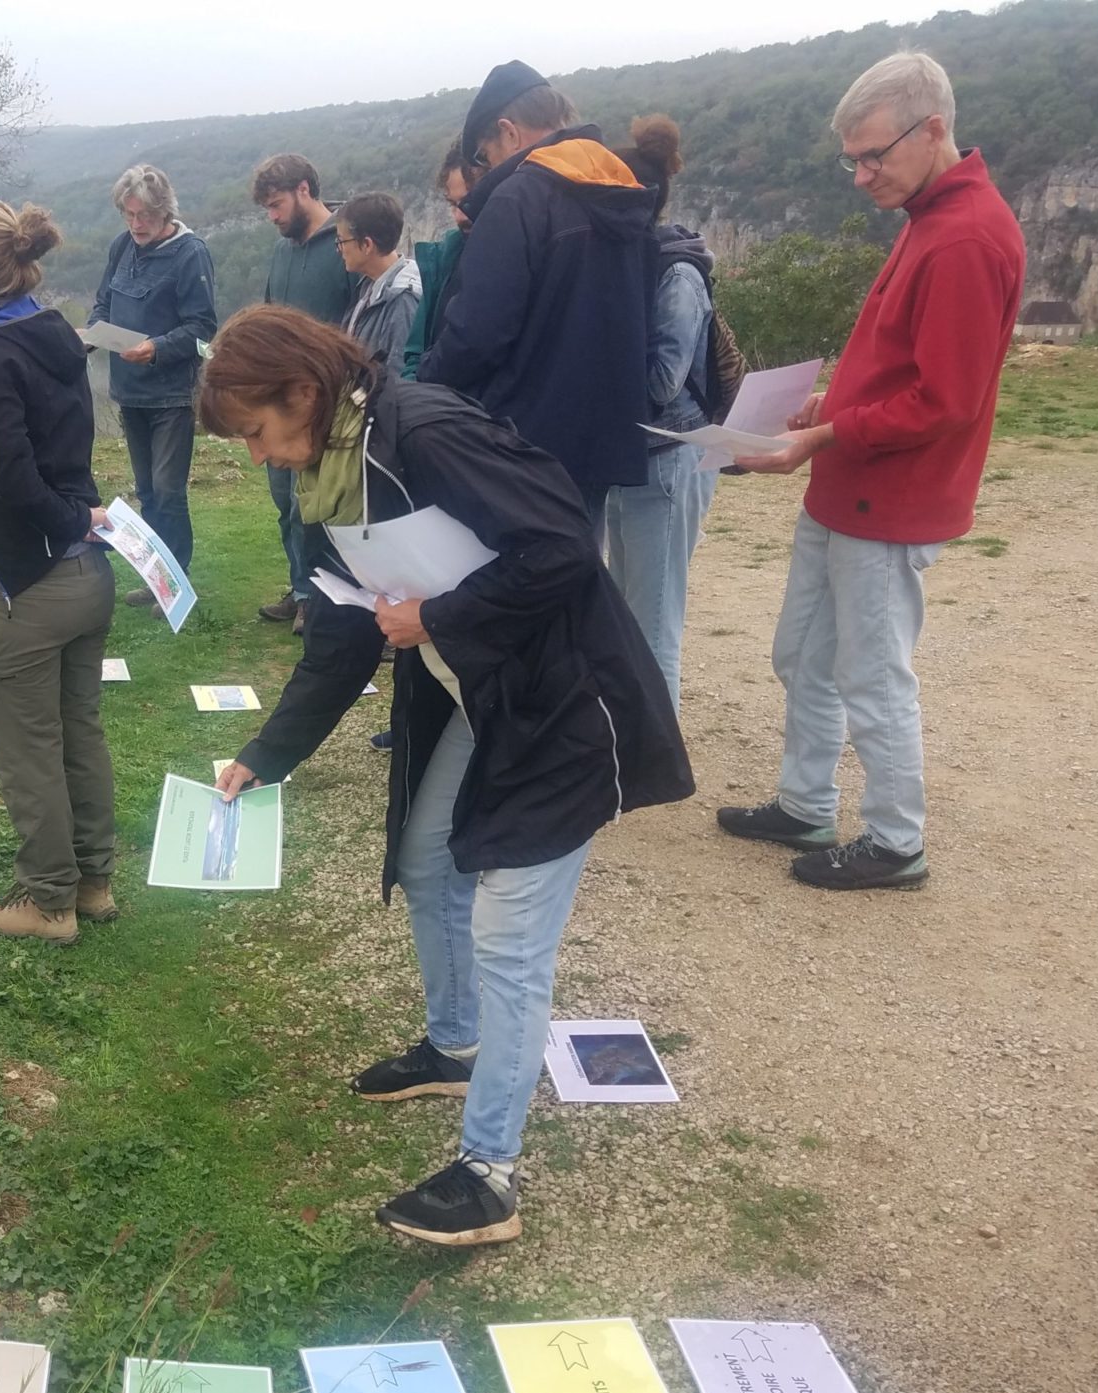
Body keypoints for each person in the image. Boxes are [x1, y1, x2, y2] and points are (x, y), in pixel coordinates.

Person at [203, 307, 691, 1247]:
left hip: (562, 704)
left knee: (512, 944)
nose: (259, 456)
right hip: (479, 698)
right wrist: (267, 756)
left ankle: (489, 1174)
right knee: (428, 863)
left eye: (258, 432)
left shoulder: (424, 431)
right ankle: (457, 1044)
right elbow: (343, 634)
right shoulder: (329, 479)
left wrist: (438, 615)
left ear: (303, 392)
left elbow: (562, 543)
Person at [721, 52, 1023, 890]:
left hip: (891, 500)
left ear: (933, 130)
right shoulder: (930, 215)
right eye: (851, 159)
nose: (861, 176)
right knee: (803, 654)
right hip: (846, 487)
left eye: (873, 155)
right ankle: (805, 802)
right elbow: (903, 366)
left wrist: (826, 434)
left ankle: (895, 842)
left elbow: (946, 401)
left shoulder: (965, 236)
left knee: (873, 673)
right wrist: (832, 404)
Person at [0, 196, 117, 944]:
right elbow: (41, 436)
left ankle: (48, 902)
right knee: (80, 731)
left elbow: (12, 476)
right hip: (89, 577)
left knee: (28, 746)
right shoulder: (50, 332)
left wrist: (68, 520)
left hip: (29, 583)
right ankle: (93, 881)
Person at [416, 61, 660, 543]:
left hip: (523, 444)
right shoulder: (623, 189)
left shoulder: (519, 197)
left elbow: (478, 333)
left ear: (508, 131)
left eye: (484, 155)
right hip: (601, 441)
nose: (487, 168)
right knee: (574, 569)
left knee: (517, 577)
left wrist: (424, 385)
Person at [605, 114, 719, 714]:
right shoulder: (634, 264)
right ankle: (634, 738)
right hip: (633, 460)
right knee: (627, 614)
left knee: (654, 622)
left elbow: (663, 380)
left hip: (671, 459)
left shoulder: (675, 273)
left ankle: (657, 750)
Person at [86, 165, 217, 606]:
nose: (136, 224)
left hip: (171, 394)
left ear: (165, 212)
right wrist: (92, 334)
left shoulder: (190, 253)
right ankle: (157, 580)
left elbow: (203, 330)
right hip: (130, 392)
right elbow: (104, 301)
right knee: (146, 492)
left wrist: (156, 348)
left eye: (144, 215)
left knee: (167, 491)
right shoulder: (122, 246)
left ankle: (177, 583)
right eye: (128, 214)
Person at [251, 153, 359, 632]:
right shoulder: (281, 252)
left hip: (326, 401)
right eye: (267, 208)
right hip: (279, 402)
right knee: (284, 501)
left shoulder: (345, 243)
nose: (272, 217)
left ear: (304, 190)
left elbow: (359, 322)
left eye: (276, 205)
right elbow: (271, 315)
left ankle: (321, 597)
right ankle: (300, 587)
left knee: (313, 506)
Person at [401, 145, 475, 383]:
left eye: (469, 202)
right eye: (453, 204)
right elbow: (415, 352)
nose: (459, 216)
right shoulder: (443, 259)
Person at [337, 192, 421, 369]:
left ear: (367, 245)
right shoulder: (368, 286)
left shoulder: (402, 301)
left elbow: (399, 376)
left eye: (342, 241)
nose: (339, 249)